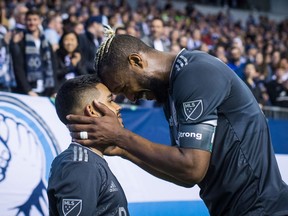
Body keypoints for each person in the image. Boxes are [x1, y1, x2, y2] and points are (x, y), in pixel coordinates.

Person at [66, 30, 288, 215]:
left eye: (125, 88)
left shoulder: (195, 73)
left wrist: (120, 136)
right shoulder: (171, 92)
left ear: (136, 61)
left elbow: (192, 167)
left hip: (263, 208)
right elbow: (184, 177)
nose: (132, 99)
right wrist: (123, 150)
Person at [47, 74, 130, 216]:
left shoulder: (89, 161)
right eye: (110, 101)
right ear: (92, 111)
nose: (118, 107)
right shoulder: (80, 165)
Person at [10, 9, 57, 97]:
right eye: (29, 20)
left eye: (35, 19)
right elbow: (18, 67)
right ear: (25, 21)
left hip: (46, 89)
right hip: (29, 92)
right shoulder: (20, 41)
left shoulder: (46, 43)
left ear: (39, 21)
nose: (32, 22)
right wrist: (28, 89)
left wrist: (54, 89)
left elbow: (53, 66)